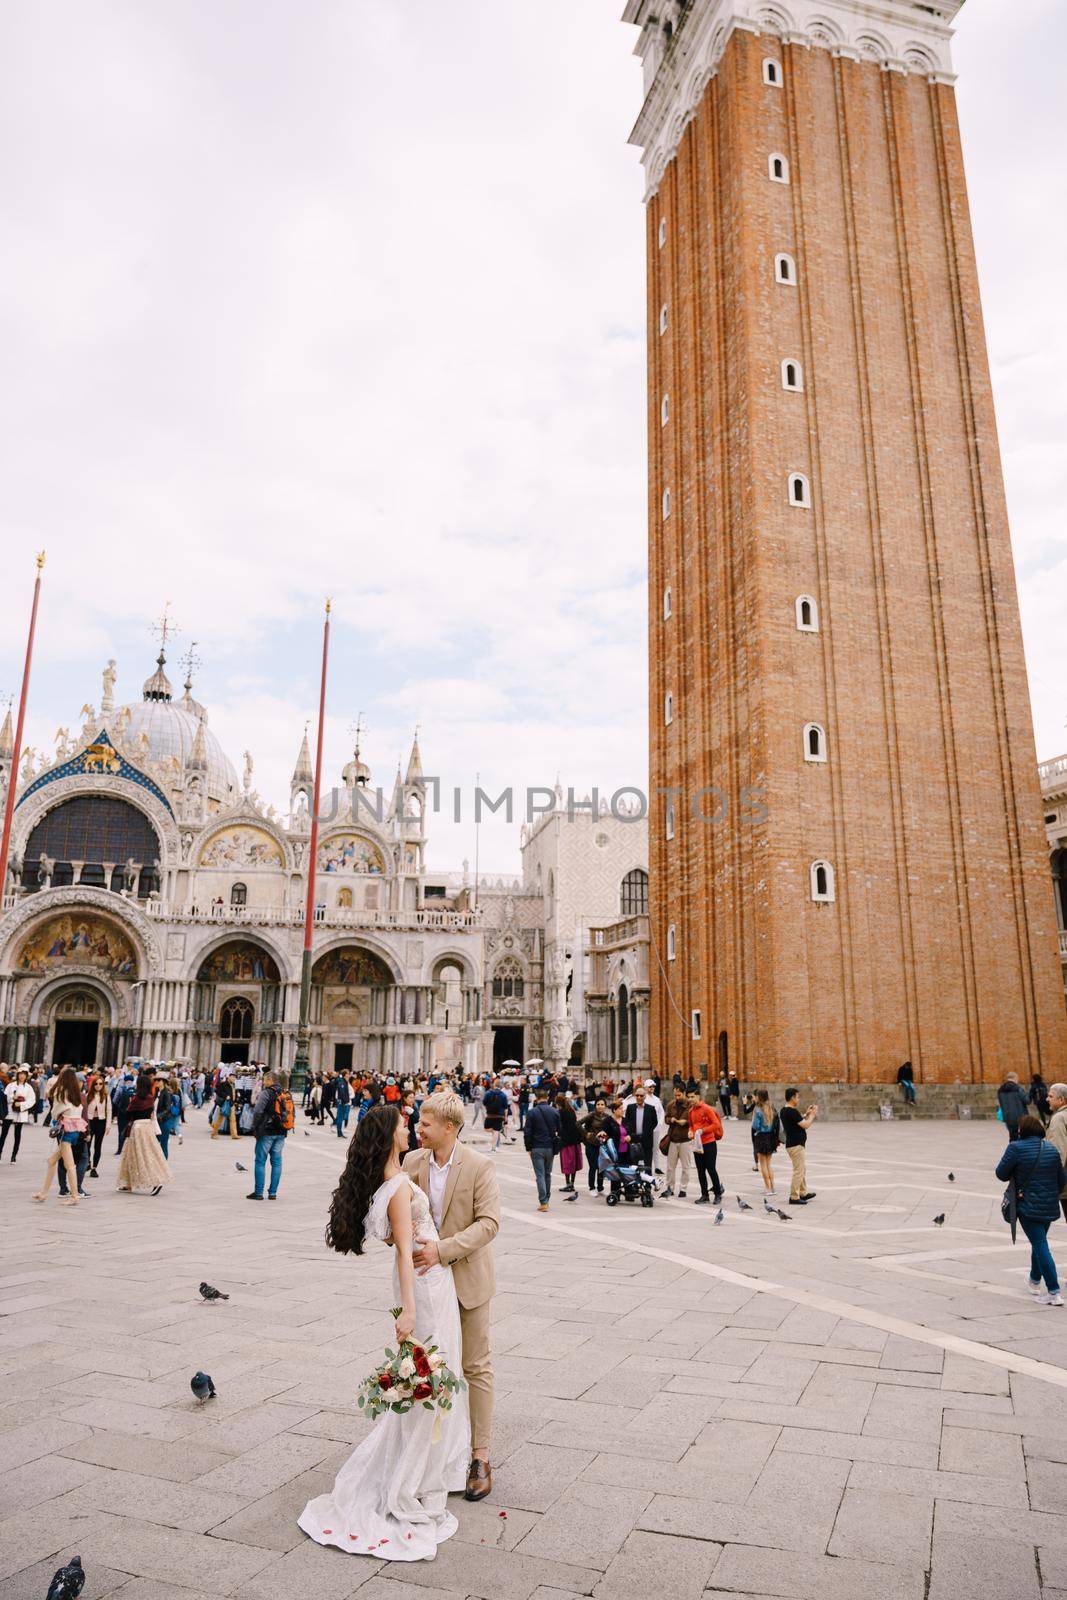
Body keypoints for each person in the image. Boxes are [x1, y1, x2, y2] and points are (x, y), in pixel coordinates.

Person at [298, 1102, 471, 1559]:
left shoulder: (391, 1180)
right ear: (388, 1135)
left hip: (426, 1277)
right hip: (424, 1286)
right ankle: (410, 1475)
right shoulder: (396, 1188)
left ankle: (427, 1466)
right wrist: (409, 1311)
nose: (410, 1128)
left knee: (433, 1375)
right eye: (402, 1124)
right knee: (432, 1376)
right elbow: (401, 1252)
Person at [403, 1088, 500, 1502]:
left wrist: (442, 1250)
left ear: (449, 1127)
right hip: (426, 1285)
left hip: (466, 1281)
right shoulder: (412, 1162)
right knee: (425, 1365)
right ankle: (427, 1451)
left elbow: (489, 1223)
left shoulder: (479, 1166)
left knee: (474, 1367)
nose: (417, 1128)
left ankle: (479, 1456)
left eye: (425, 1123)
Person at [996, 1114, 1066, 1306]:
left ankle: (1053, 1291)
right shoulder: (1051, 1149)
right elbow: (1061, 1180)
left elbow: (1000, 1173)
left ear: (1022, 1131)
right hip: (1049, 1205)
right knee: (1039, 1241)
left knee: (1040, 1245)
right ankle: (1034, 1281)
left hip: (1027, 1205)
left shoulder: (1015, 1148)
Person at [31, 1067, 86, 1206]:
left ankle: (74, 1196)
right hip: (76, 1130)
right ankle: (43, 1193)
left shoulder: (62, 1093)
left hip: (66, 1131)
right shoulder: (76, 1094)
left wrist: (59, 1115)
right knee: (51, 1161)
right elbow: (78, 1111)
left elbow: (54, 1113)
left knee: (70, 1165)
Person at [116, 1071, 169, 1196]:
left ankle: (156, 1180)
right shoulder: (151, 1098)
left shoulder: (136, 1099)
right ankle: (127, 1183)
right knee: (141, 1154)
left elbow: (128, 1113)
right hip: (148, 1127)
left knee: (139, 1156)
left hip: (137, 1128)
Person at [247, 1069, 292, 1200]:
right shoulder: (285, 1092)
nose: (263, 1081)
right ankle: (272, 1192)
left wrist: (255, 1127)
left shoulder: (266, 1093)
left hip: (267, 1131)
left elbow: (257, 1111)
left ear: (270, 1080)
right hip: (281, 1132)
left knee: (260, 1161)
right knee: (277, 1162)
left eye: (265, 1079)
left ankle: (259, 1192)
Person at [524, 1087, 561, 1211]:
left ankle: (543, 1202)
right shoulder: (555, 1111)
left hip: (537, 1146)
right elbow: (559, 1130)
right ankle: (547, 1199)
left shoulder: (532, 1112)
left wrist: (528, 1147)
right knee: (547, 1174)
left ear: (536, 1098)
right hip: (550, 1147)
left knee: (539, 1175)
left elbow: (527, 1132)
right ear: (547, 1097)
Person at [779, 1088, 818, 1206]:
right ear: (792, 1097)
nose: (798, 1099)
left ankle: (803, 1193)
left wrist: (806, 1114)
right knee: (798, 1171)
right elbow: (805, 1125)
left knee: (802, 1169)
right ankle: (794, 1197)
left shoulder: (784, 1110)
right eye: (797, 1096)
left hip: (792, 1144)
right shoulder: (792, 1111)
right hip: (796, 1145)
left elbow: (797, 1120)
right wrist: (812, 1116)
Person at [687, 1090, 725, 1204]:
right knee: (700, 1171)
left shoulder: (707, 1109)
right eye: (689, 1097)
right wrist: (690, 1131)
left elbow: (716, 1124)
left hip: (709, 1143)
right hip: (697, 1144)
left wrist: (703, 1130)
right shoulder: (690, 1111)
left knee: (711, 1169)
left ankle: (718, 1193)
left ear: (698, 1096)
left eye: (692, 1097)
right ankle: (704, 1195)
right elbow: (691, 1125)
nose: (690, 1099)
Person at [0, 1067, 35, 1163]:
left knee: (17, 1135)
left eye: (24, 1074)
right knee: (3, 1134)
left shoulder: (28, 1088)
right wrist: (12, 1098)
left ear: (26, 1076)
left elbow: (32, 1100)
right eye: (20, 1074)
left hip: (21, 1113)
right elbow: (4, 1097)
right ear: (18, 1075)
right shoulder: (11, 1085)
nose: (22, 1076)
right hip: (10, 1112)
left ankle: (13, 1156)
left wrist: (22, 1104)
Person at [662, 1093, 693, 1198]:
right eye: (675, 1095)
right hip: (673, 1139)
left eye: (679, 1095)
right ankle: (670, 1188)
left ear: (684, 1093)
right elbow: (666, 1118)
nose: (677, 1097)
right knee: (670, 1167)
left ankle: (683, 1189)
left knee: (686, 1167)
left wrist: (683, 1121)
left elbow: (689, 1120)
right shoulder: (671, 1105)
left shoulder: (689, 1105)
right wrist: (670, 1120)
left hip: (685, 1139)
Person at [1044, 1083, 1067, 1224]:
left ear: (1062, 1100)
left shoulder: (1059, 1118)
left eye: (1051, 1096)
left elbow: (1058, 1151)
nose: (1047, 1099)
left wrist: (1050, 1178)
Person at [751, 1090, 779, 1195]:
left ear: (759, 1097)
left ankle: (767, 1188)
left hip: (761, 1137)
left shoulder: (758, 1110)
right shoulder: (771, 1108)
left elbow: (755, 1126)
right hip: (771, 1137)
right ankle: (773, 1187)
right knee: (769, 1164)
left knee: (763, 1164)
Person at [623, 1084, 657, 1170]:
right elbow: (627, 1122)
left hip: (646, 1138)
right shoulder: (630, 1108)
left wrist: (647, 1131)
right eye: (637, 1095)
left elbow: (654, 1122)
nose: (639, 1097)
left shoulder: (651, 1108)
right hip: (634, 1138)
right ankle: (633, 1182)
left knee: (648, 1163)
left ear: (645, 1096)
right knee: (633, 1163)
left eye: (641, 1096)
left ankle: (648, 1182)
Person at [84, 1071, 111, 1176]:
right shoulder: (88, 1095)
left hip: (101, 1122)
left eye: (100, 1084)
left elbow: (109, 1111)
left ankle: (94, 1168)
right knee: (87, 1144)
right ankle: (88, 1162)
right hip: (90, 1122)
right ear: (93, 1085)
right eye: (96, 1084)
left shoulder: (105, 1096)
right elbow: (84, 1111)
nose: (98, 1086)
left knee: (98, 1146)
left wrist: (108, 1125)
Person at [998, 1073, 1030, 1142]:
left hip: (1007, 1117)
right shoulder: (1018, 1088)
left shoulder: (1000, 1090)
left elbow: (1001, 1104)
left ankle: (1013, 1150)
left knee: (1012, 1137)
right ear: (1015, 1078)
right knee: (1023, 1136)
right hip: (1021, 1117)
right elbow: (1027, 1101)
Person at [482, 1078, 509, 1153]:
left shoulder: (488, 1093)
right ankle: (493, 1148)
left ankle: (493, 1146)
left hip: (490, 1115)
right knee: (496, 1131)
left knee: (486, 1128)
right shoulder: (503, 1095)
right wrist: (506, 1118)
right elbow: (506, 1108)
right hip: (499, 1116)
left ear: (494, 1084)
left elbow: (484, 1103)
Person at [334, 1071, 353, 1139]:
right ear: (345, 1076)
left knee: (341, 1117)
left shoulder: (344, 1082)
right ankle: (339, 1132)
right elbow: (342, 1093)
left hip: (343, 1102)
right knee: (340, 1117)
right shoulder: (342, 1083)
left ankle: (339, 1132)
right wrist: (345, 1101)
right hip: (342, 1103)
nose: (349, 1077)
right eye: (348, 1076)